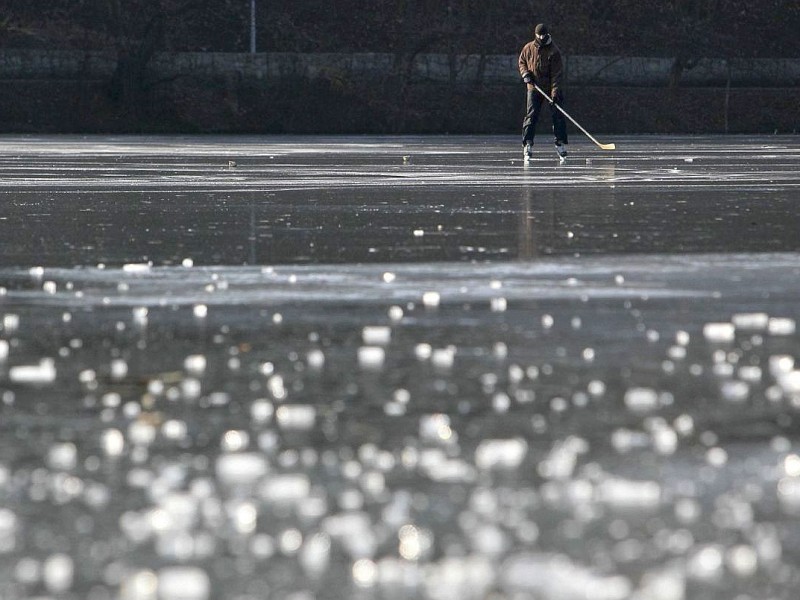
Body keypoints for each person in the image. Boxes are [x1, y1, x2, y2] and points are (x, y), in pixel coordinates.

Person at [518, 23, 568, 162]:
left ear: (547, 34)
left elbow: (557, 74)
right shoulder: (528, 48)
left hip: (550, 88)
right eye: (539, 35)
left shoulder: (554, 51)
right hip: (534, 88)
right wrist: (526, 74)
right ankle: (527, 144)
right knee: (531, 116)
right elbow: (522, 62)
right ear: (535, 35)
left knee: (558, 116)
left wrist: (555, 92)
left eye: (543, 35)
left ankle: (560, 144)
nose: (541, 37)